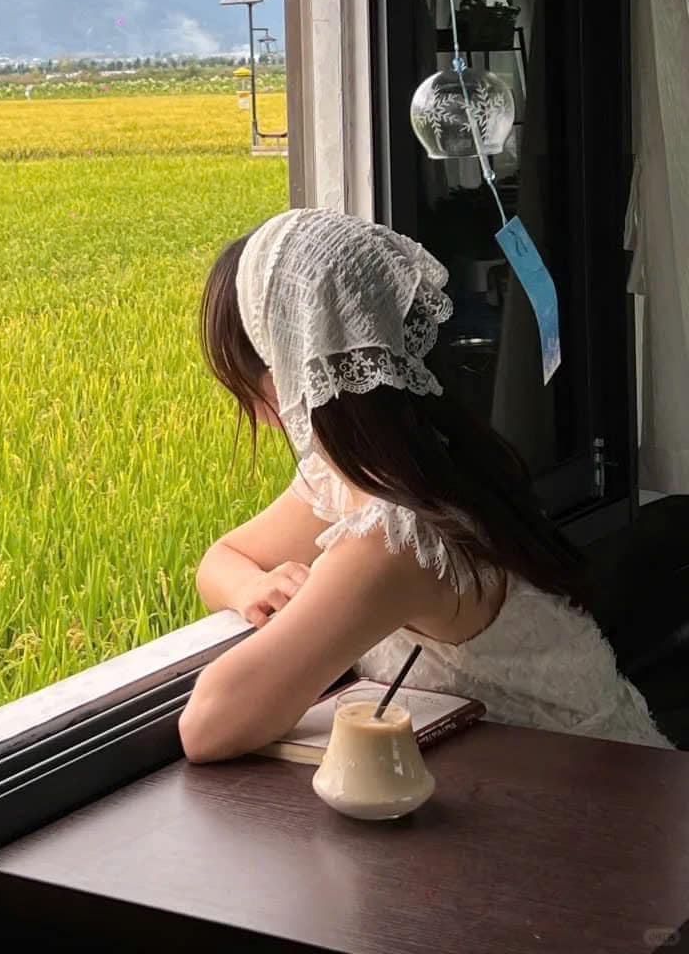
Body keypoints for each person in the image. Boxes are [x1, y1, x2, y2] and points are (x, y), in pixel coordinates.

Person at [178, 209, 672, 763]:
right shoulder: (408, 460)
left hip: (594, 796)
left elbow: (208, 726)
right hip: (559, 773)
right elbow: (222, 557)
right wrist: (252, 587)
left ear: (285, 368)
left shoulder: (397, 539)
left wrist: (298, 618)